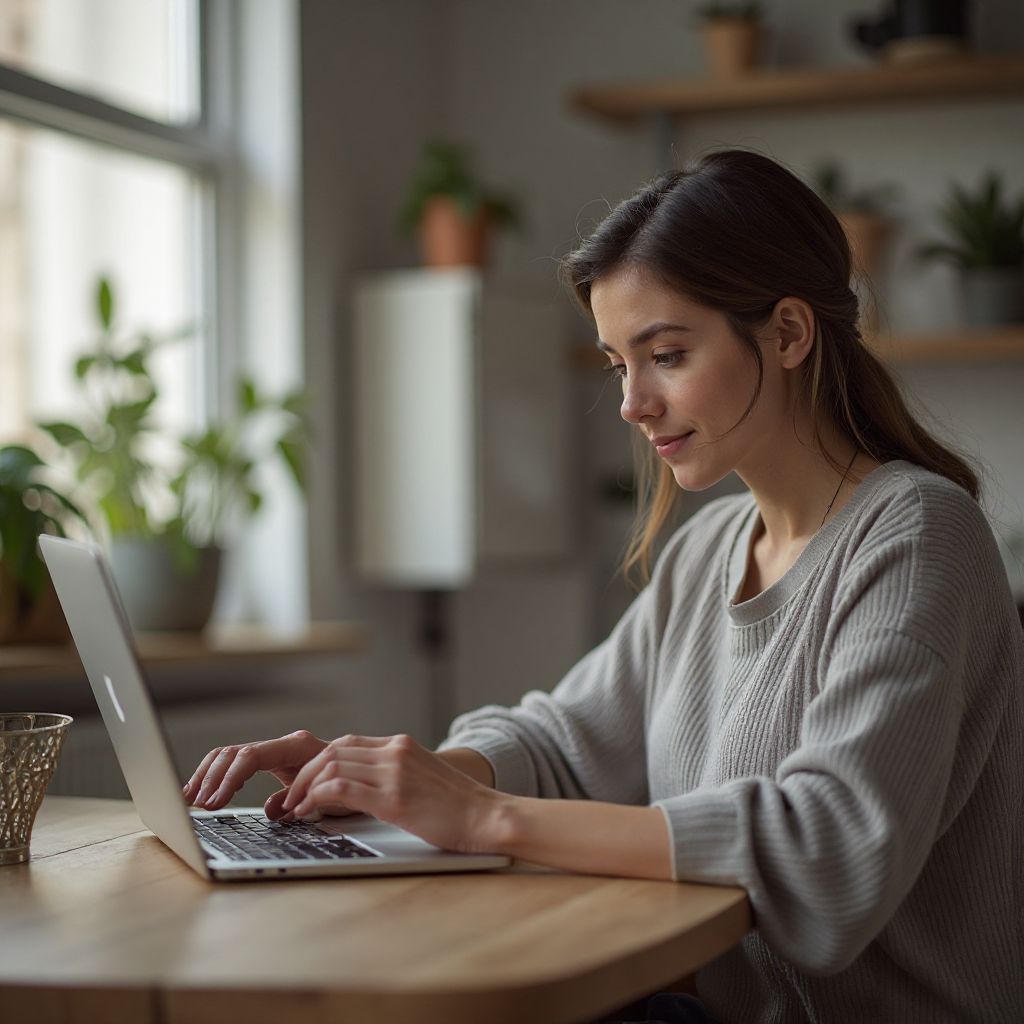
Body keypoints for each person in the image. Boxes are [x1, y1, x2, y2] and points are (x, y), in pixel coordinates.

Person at [183, 149, 1024, 1024]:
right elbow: (566, 742)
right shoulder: (709, 550)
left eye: (665, 354)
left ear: (787, 334)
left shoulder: (919, 536)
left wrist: (484, 819)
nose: (631, 403)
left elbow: (828, 850)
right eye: (620, 364)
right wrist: (395, 777)